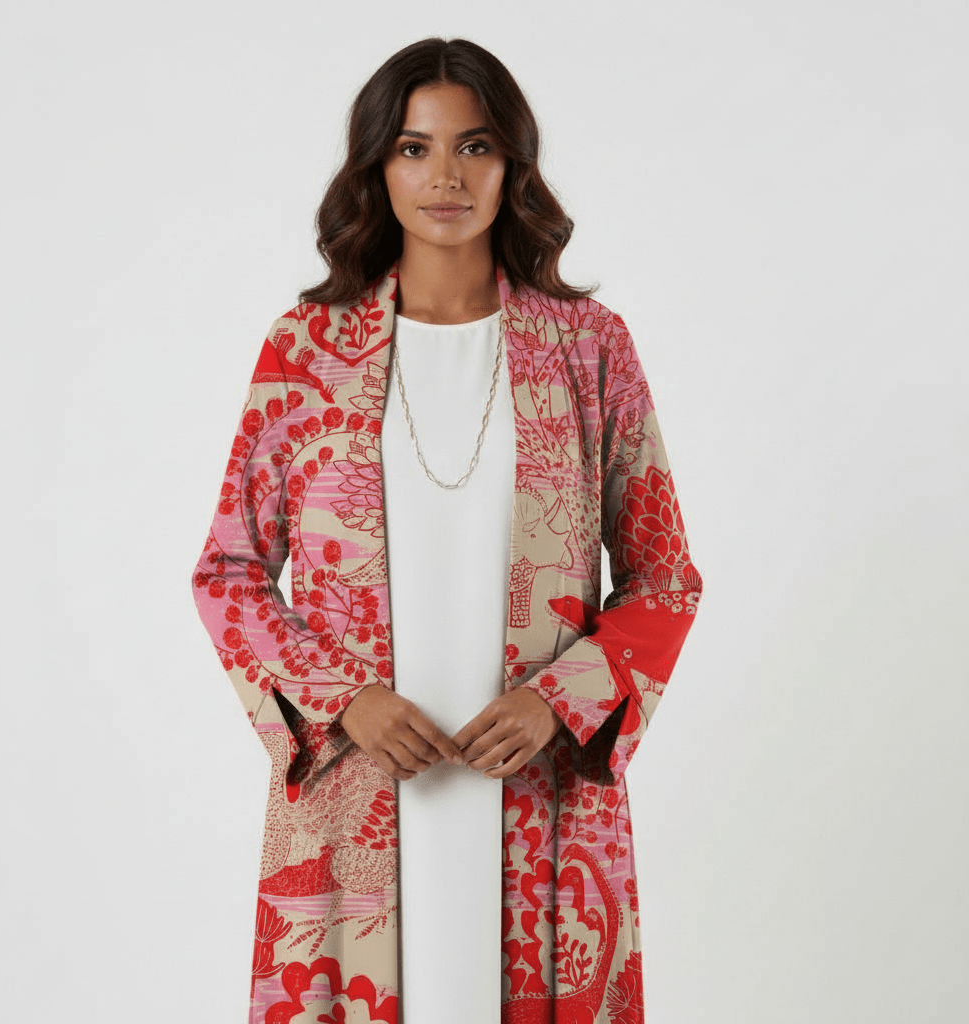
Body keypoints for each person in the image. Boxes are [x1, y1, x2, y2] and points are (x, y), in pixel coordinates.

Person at [191, 36, 703, 1024]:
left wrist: (558, 701)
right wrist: (346, 703)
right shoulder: (307, 350)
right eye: (413, 148)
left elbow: (664, 576)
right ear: (376, 167)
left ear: (512, 163)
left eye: (474, 146)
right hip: (357, 789)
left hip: (542, 790)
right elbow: (229, 572)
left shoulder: (588, 347)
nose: (445, 177)